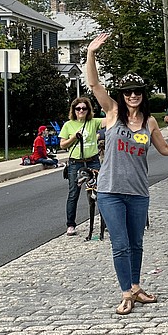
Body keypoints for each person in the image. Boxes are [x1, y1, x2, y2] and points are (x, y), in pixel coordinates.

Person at [86, 33, 168, 316]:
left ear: (143, 94)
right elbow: (94, 84)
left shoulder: (149, 121)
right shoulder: (112, 113)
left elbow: (163, 149)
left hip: (138, 192)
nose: (132, 96)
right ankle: (125, 293)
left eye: (137, 92)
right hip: (110, 191)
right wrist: (91, 54)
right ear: (122, 96)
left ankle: (136, 286)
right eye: (127, 92)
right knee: (120, 244)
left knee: (137, 243)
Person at [59, 97, 102, 236]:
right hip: (75, 162)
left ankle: (106, 221)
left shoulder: (93, 122)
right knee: (73, 193)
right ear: (74, 110)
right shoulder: (68, 125)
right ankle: (70, 224)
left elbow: (109, 120)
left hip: (92, 160)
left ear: (88, 110)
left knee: (100, 191)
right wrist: (74, 138)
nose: (81, 111)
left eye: (84, 108)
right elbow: (62, 144)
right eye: (78, 108)